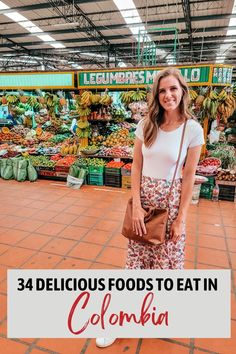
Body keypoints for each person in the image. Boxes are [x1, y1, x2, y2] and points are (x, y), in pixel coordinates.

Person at [95, 67, 204, 348]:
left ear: (182, 91)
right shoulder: (146, 125)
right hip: (144, 203)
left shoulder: (192, 130)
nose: (168, 95)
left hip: (170, 206)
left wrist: (181, 219)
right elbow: (136, 167)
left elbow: (189, 175)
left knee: (166, 265)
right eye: (162, 90)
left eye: (173, 89)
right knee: (135, 264)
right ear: (157, 95)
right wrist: (136, 207)